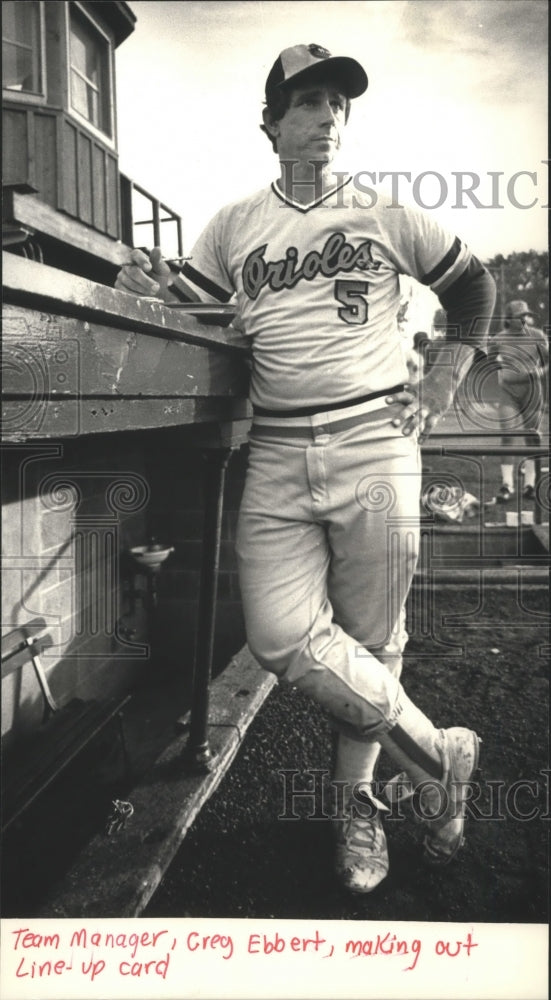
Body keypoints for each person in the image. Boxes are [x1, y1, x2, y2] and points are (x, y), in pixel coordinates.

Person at [115, 44, 496, 894]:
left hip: (374, 439)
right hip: (279, 446)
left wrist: (440, 381)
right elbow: (195, 311)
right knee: (282, 636)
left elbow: (471, 289)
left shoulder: (386, 210)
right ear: (272, 122)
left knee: (372, 642)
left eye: (338, 104)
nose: (328, 116)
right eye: (308, 102)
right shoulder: (231, 224)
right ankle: (440, 757)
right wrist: (145, 287)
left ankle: (355, 808)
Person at [487, 300, 548, 503]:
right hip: (508, 392)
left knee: (532, 437)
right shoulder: (498, 339)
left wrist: (539, 371)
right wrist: (502, 373)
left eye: (526, 315)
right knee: (508, 434)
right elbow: (491, 360)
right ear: (508, 319)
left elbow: (547, 360)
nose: (524, 319)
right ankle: (507, 485)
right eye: (519, 316)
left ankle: (530, 485)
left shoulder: (538, 336)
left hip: (532, 390)